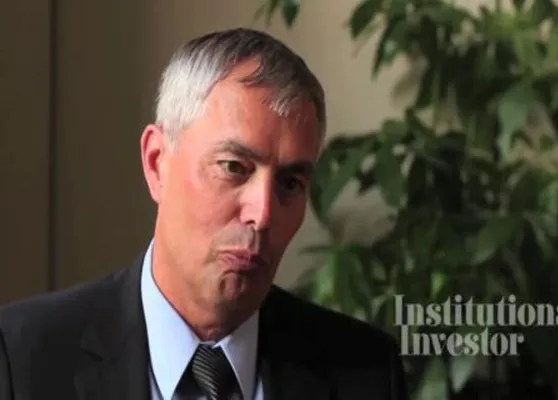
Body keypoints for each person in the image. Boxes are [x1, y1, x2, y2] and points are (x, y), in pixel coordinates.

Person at [0, 28, 407, 399]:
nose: (263, 214)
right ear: (157, 163)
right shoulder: (20, 359)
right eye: (233, 167)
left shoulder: (368, 374)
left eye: (290, 184)